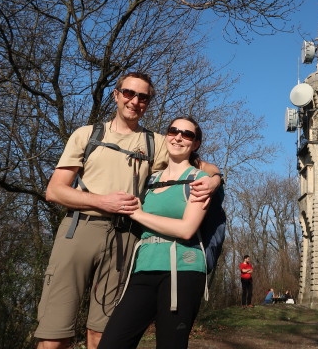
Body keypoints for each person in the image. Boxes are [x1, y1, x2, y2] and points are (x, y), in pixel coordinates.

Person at [34, 72, 221, 349]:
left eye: (143, 97)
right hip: (81, 228)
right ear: (116, 94)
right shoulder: (87, 135)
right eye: (128, 93)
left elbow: (201, 166)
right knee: (55, 331)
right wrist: (101, 201)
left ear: (148, 103)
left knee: (103, 330)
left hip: (126, 238)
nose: (134, 101)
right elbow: (55, 191)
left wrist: (215, 180)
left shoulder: (156, 142)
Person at [98, 116, 215, 349]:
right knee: (112, 342)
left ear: (196, 144)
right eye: (173, 131)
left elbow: (186, 229)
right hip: (143, 268)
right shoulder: (150, 179)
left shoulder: (199, 180)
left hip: (183, 269)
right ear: (166, 136)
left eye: (187, 134)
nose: (179, 137)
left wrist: (139, 215)